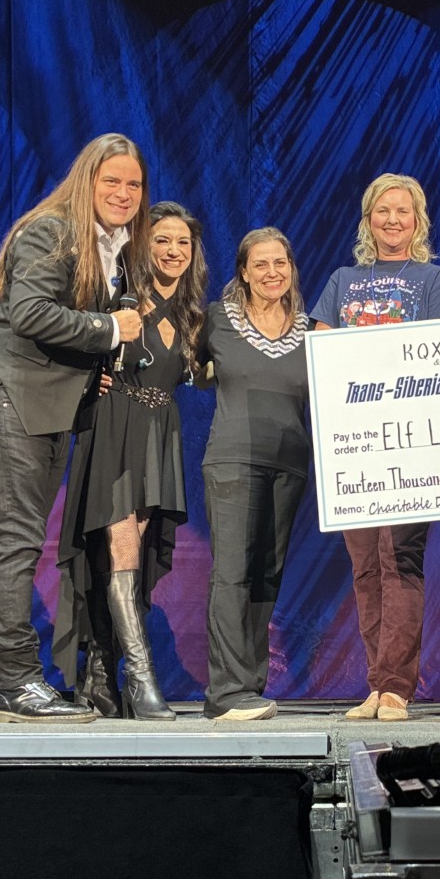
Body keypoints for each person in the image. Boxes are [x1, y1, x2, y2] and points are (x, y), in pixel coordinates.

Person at [0, 134, 150, 723]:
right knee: (17, 539)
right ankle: (15, 681)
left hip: (50, 406)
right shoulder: (51, 231)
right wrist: (109, 330)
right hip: (11, 395)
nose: (123, 193)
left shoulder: (114, 248)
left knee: (11, 540)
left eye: (134, 184)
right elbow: (31, 312)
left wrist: (94, 368)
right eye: (112, 181)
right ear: (87, 181)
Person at [50, 200, 206, 721]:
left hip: (158, 435)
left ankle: (99, 675)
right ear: (143, 246)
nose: (174, 250)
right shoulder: (121, 299)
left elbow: (213, 369)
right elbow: (63, 326)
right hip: (114, 426)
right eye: (162, 240)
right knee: (120, 548)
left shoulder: (192, 315)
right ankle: (142, 680)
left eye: (183, 242)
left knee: (124, 556)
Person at [309, 173, 440, 721]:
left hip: (410, 442)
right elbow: (322, 351)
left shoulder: (434, 280)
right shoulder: (343, 280)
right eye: (382, 211)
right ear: (367, 220)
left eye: (403, 211)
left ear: (418, 221)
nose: (392, 220)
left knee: (401, 560)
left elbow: (439, 357)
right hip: (354, 444)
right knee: (366, 565)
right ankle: (377, 682)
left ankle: (397, 685)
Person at [199, 228, 310, 721]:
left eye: (280, 263)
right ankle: (226, 691)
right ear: (243, 271)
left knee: (267, 574)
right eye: (260, 264)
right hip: (232, 460)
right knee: (233, 573)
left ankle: (250, 686)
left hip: (290, 465)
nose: (271, 273)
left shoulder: (311, 330)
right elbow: (175, 361)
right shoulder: (217, 319)